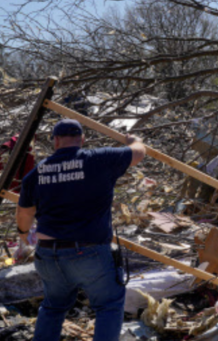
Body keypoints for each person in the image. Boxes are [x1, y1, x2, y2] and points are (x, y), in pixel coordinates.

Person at [16, 119, 146, 341]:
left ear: (55, 141)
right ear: (82, 140)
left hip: (48, 252)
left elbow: (24, 214)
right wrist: (134, 140)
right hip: (89, 252)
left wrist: (22, 238)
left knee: (53, 307)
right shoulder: (99, 159)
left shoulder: (37, 173)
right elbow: (139, 153)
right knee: (108, 305)